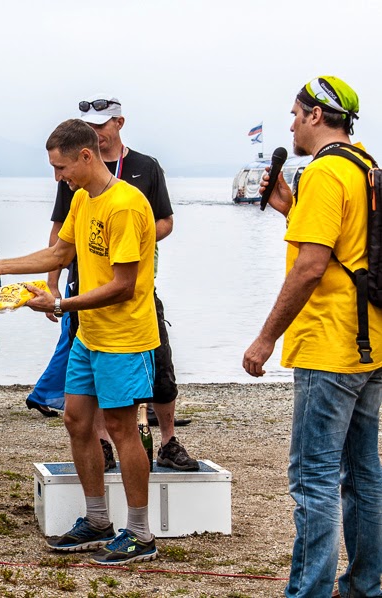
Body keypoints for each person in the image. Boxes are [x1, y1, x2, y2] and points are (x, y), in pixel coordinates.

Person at [0, 119, 158, 565]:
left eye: (61, 167)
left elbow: (124, 286)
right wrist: (2, 266)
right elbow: (59, 253)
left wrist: (60, 304)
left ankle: (140, 533)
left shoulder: (126, 206)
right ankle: (97, 521)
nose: (58, 177)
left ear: (86, 156)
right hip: (88, 334)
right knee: (76, 420)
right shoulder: (81, 200)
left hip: (124, 336)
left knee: (121, 428)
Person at [243, 76, 382, 598]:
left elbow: (311, 266)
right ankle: (366, 585)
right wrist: (288, 207)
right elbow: (352, 244)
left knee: (314, 477)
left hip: (328, 344)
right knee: (363, 473)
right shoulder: (365, 166)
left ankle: (309, 591)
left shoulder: (324, 173)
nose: (292, 124)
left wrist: (264, 339)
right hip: (370, 341)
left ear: (317, 116)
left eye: (297, 114)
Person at [28, 94, 197, 472]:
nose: (96, 133)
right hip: (86, 306)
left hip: (128, 309)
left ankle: (164, 449)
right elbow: (59, 245)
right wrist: (11, 271)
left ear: (119, 124)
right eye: (89, 128)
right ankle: (97, 499)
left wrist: (130, 237)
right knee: (77, 416)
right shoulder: (77, 183)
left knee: (151, 387)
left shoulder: (140, 174)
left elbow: (164, 223)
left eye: (101, 127)